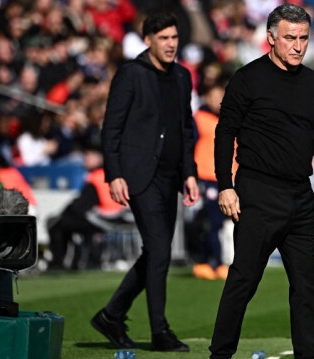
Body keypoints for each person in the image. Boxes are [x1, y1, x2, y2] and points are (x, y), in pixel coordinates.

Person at [209, 5, 314, 359]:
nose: (298, 46)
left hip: (301, 196)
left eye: (303, 38)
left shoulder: (313, 82)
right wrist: (225, 184)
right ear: (270, 37)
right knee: (243, 280)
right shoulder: (248, 78)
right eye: (290, 38)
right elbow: (225, 132)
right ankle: (220, 355)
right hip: (258, 192)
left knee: (307, 286)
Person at [92, 13, 199, 352]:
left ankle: (111, 315)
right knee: (159, 250)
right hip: (140, 174)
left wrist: (189, 172)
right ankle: (160, 332)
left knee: (156, 252)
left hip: (171, 176)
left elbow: (185, 129)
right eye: (164, 37)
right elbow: (112, 127)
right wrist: (115, 173)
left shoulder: (182, 77)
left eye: (174, 37)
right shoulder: (131, 74)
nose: (171, 44)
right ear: (148, 40)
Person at [47, 144, 126, 270]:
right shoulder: (111, 173)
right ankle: (71, 260)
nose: (85, 158)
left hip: (105, 217)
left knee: (57, 224)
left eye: (88, 155)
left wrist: (65, 212)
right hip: (118, 215)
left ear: (99, 158)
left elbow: (81, 206)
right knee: (64, 221)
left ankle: (59, 262)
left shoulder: (96, 177)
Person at [191, 83, 231, 281]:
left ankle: (214, 261)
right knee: (212, 222)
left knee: (223, 223)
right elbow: (189, 147)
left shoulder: (232, 118)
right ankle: (213, 262)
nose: (218, 101)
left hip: (229, 178)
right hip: (207, 177)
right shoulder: (199, 119)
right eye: (214, 96)